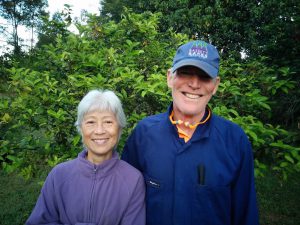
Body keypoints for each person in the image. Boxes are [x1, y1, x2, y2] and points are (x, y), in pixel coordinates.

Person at [121, 40, 259, 225]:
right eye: (185, 73)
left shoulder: (234, 141)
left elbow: (245, 215)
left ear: (216, 85)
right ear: (170, 77)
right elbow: (124, 202)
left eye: (204, 76)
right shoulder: (144, 134)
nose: (194, 84)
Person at [26, 89, 146, 225]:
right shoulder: (59, 175)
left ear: (119, 128)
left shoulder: (133, 179)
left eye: (108, 122)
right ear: (80, 128)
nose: (99, 131)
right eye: (90, 122)